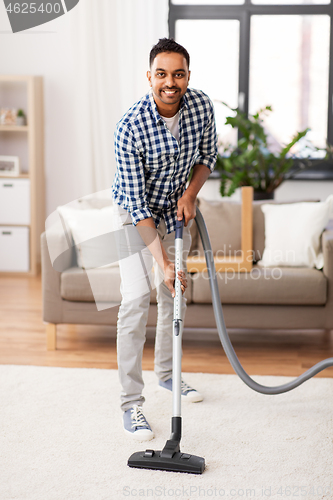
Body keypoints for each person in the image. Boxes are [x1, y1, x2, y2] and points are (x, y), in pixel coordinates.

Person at [112, 38, 217, 441]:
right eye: (162, 74)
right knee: (137, 300)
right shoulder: (130, 127)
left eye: (178, 74)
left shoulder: (202, 106)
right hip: (135, 218)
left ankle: (169, 376)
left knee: (176, 294)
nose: (170, 82)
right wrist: (163, 263)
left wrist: (190, 194)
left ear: (188, 76)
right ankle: (131, 405)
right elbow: (137, 209)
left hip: (176, 212)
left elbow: (208, 156)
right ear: (149, 77)